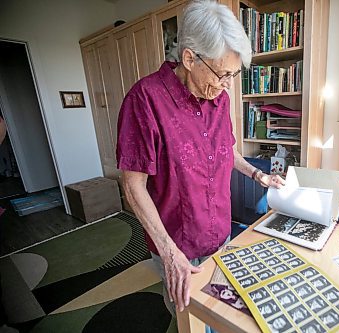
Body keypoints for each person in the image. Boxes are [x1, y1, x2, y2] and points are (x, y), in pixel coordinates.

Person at [115, 0, 285, 331]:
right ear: (190, 58)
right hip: (178, 247)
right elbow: (132, 185)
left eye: (234, 74)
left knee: (222, 318)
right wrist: (169, 253)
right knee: (190, 324)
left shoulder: (219, 97)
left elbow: (226, 150)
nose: (228, 84)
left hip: (220, 236)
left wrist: (257, 173)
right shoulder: (145, 100)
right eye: (224, 74)